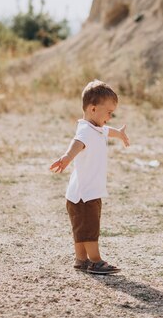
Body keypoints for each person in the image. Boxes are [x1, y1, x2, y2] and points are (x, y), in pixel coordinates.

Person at [50, 80, 130, 275]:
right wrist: (67, 157)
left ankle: (81, 260)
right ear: (93, 109)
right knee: (90, 228)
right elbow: (77, 143)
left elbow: (106, 131)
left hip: (79, 193)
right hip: (86, 194)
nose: (110, 117)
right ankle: (95, 261)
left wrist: (118, 134)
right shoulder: (85, 130)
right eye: (109, 113)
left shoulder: (97, 128)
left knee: (81, 229)